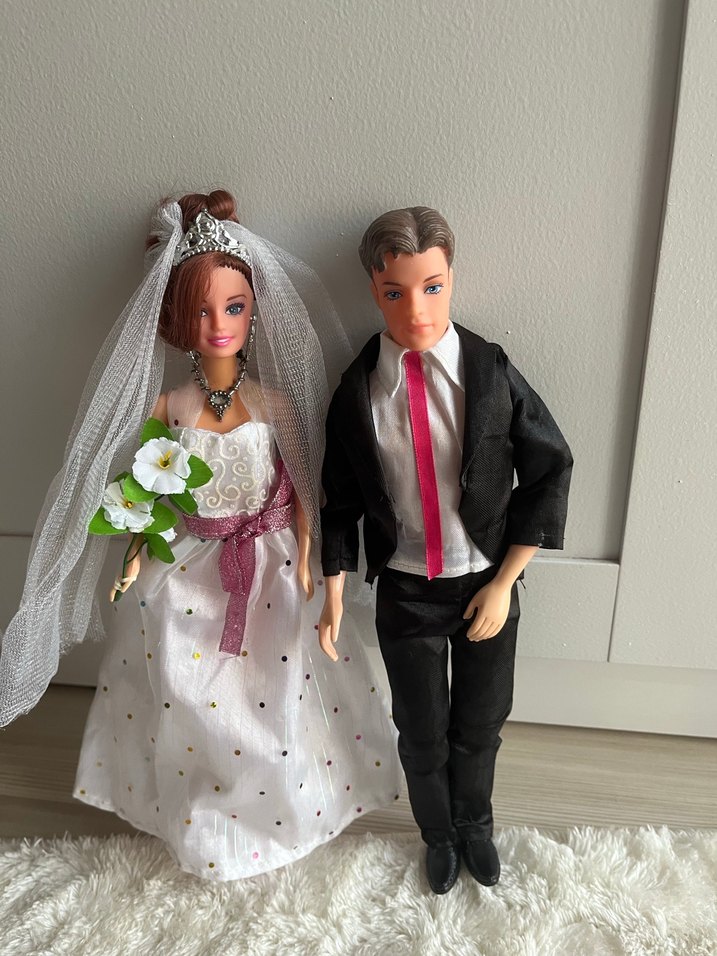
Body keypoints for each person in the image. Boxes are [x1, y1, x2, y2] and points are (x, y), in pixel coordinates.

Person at [0, 190, 401, 880]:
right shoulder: (170, 406)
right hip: (188, 567)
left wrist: (308, 554)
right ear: (177, 321)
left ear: (254, 311)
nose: (219, 325)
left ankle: (282, 811)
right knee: (188, 693)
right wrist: (133, 559)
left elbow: (304, 487)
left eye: (233, 307)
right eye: (202, 312)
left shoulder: (274, 404)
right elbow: (148, 489)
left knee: (275, 693)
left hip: (271, 562)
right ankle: (199, 817)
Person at [319, 206, 573, 895]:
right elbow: (338, 498)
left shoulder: (488, 372)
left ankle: (474, 825)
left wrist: (505, 581)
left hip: (484, 579)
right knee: (421, 729)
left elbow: (549, 466)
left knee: (481, 722)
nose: (417, 310)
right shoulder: (358, 392)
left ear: (451, 279)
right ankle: (437, 834)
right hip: (407, 589)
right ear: (374, 292)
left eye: (432, 287)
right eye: (395, 292)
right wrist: (334, 589)